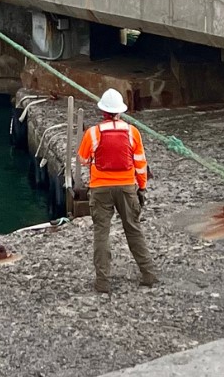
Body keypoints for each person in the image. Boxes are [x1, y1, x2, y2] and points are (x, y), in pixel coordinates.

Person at [75, 87, 158, 293]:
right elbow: (140, 163)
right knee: (134, 230)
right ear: (120, 111)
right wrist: (142, 187)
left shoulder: (92, 133)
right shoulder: (133, 132)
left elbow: (83, 160)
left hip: (100, 188)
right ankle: (148, 274)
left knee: (101, 233)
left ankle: (103, 282)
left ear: (102, 112)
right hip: (127, 187)